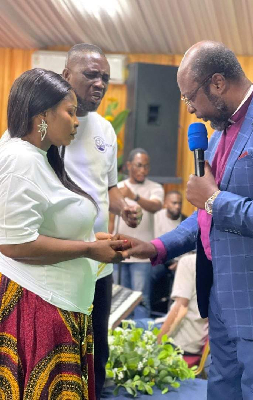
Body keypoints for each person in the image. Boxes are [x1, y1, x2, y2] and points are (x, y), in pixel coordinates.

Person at [120, 41, 253, 399]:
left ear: (217, 83)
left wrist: (215, 199)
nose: (190, 110)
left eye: (190, 98)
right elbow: (205, 217)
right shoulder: (216, 137)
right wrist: (156, 246)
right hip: (219, 303)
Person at [0, 69, 128, 399]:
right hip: (39, 306)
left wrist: (91, 241)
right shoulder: (20, 159)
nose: (75, 121)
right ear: (42, 114)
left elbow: (49, 224)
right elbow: (15, 244)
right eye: (69, 112)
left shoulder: (41, 158)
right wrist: (87, 250)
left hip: (59, 305)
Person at [61, 43, 141, 399]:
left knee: (98, 347)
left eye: (105, 77)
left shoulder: (106, 130)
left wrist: (125, 207)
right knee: (61, 349)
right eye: (90, 74)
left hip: (100, 266)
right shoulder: (41, 124)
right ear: (66, 76)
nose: (100, 83)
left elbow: (108, 189)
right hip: (60, 261)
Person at [112, 148, 164, 318]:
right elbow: (111, 216)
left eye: (146, 166)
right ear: (128, 166)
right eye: (139, 166)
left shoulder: (155, 187)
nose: (143, 170)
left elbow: (155, 206)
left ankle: (141, 339)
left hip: (142, 256)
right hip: (119, 253)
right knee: (119, 300)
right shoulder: (117, 188)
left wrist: (134, 197)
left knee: (141, 300)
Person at [136, 253, 208, 356]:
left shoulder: (189, 262)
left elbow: (180, 311)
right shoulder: (224, 264)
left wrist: (157, 344)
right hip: (198, 337)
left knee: (123, 327)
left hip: (180, 340)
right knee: (134, 323)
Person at [151, 191, 186, 314]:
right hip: (159, 258)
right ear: (166, 203)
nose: (177, 206)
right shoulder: (156, 217)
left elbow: (191, 248)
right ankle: (151, 308)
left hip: (179, 262)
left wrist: (180, 262)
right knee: (151, 273)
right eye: (174, 203)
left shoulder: (185, 221)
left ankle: (172, 313)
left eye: (180, 203)